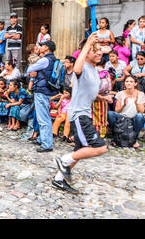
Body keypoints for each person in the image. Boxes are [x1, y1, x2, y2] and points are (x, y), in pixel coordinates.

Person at [52, 33, 107, 194]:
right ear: (86, 52)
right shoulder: (82, 67)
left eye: (100, 51)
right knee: (100, 147)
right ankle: (63, 160)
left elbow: (88, 91)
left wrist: (103, 98)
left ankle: (58, 180)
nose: (99, 53)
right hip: (79, 115)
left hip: (85, 113)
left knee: (79, 153)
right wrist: (88, 43)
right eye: (94, 51)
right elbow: (76, 68)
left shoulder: (94, 70)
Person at [26, 41, 59, 152]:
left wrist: (34, 68)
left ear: (47, 48)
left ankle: (46, 144)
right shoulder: (53, 59)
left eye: (42, 46)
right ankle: (42, 139)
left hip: (41, 90)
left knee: (43, 118)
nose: (40, 47)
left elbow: (29, 70)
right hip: (47, 90)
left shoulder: (45, 60)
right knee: (44, 116)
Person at [107, 75, 145, 148]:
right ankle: (116, 137)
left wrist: (136, 103)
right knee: (110, 114)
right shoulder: (120, 94)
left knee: (139, 117)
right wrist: (123, 105)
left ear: (135, 83)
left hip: (134, 118)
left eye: (131, 82)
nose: (129, 83)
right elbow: (117, 111)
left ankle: (134, 139)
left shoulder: (140, 94)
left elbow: (141, 111)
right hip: (123, 118)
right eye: (127, 81)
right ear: (124, 83)